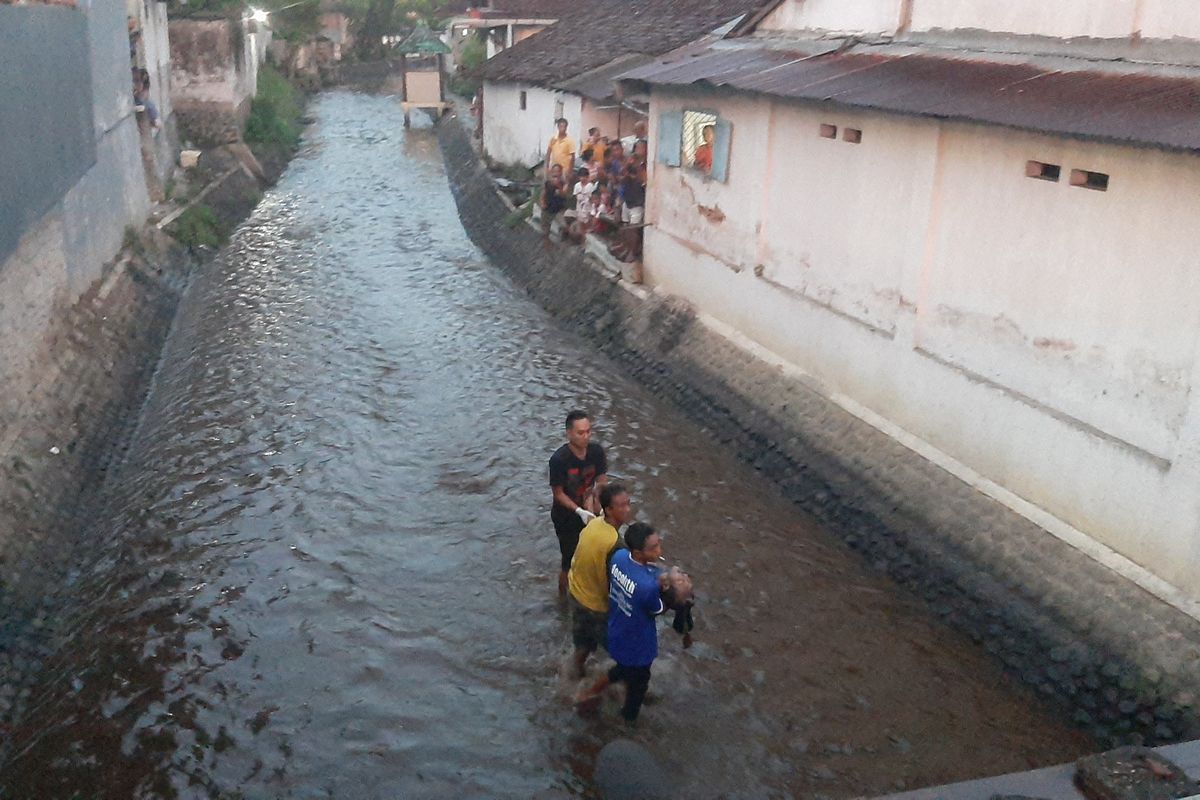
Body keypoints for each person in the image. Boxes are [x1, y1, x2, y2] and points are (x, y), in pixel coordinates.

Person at [575, 523, 665, 724]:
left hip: (618, 629)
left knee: (622, 669)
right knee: (637, 689)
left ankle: (591, 691)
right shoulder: (647, 587)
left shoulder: (619, 558)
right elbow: (658, 609)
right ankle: (628, 723)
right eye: (654, 548)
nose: (659, 551)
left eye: (658, 544)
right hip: (639, 645)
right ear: (638, 552)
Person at [567, 483, 632, 677]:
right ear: (609, 510)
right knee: (625, 655)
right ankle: (600, 690)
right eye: (622, 506)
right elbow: (618, 586)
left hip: (576, 594)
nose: (627, 509)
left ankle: (574, 674)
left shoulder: (594, 523)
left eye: (628, 503)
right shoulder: (616, 545)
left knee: (583, 644)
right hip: (595, 607)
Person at [548, 410, 608, 596]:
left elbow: (601, 481)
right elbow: (558, 494)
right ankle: (562, 595)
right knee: (569, 560)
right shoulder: (559, 460)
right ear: (569, 434)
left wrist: (598, 504)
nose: (585, 437)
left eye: (588, 432)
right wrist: (580, 511)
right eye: (580, 433)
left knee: (597, 557)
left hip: (590, 508)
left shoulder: (596, 452)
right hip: (566, 516)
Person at [540, 164, 570, 240]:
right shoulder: (548, 183)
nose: (556, 173)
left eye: (558, 171)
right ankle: (546, 243)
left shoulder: (564, 183)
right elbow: (543, 194)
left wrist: (559, 187)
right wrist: (542, 203)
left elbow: (564, 195)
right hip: (547, 208)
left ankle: (563, 237)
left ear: (561, 172)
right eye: (554, 171)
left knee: (564, 225)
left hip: (559, 209)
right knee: (545, 229)